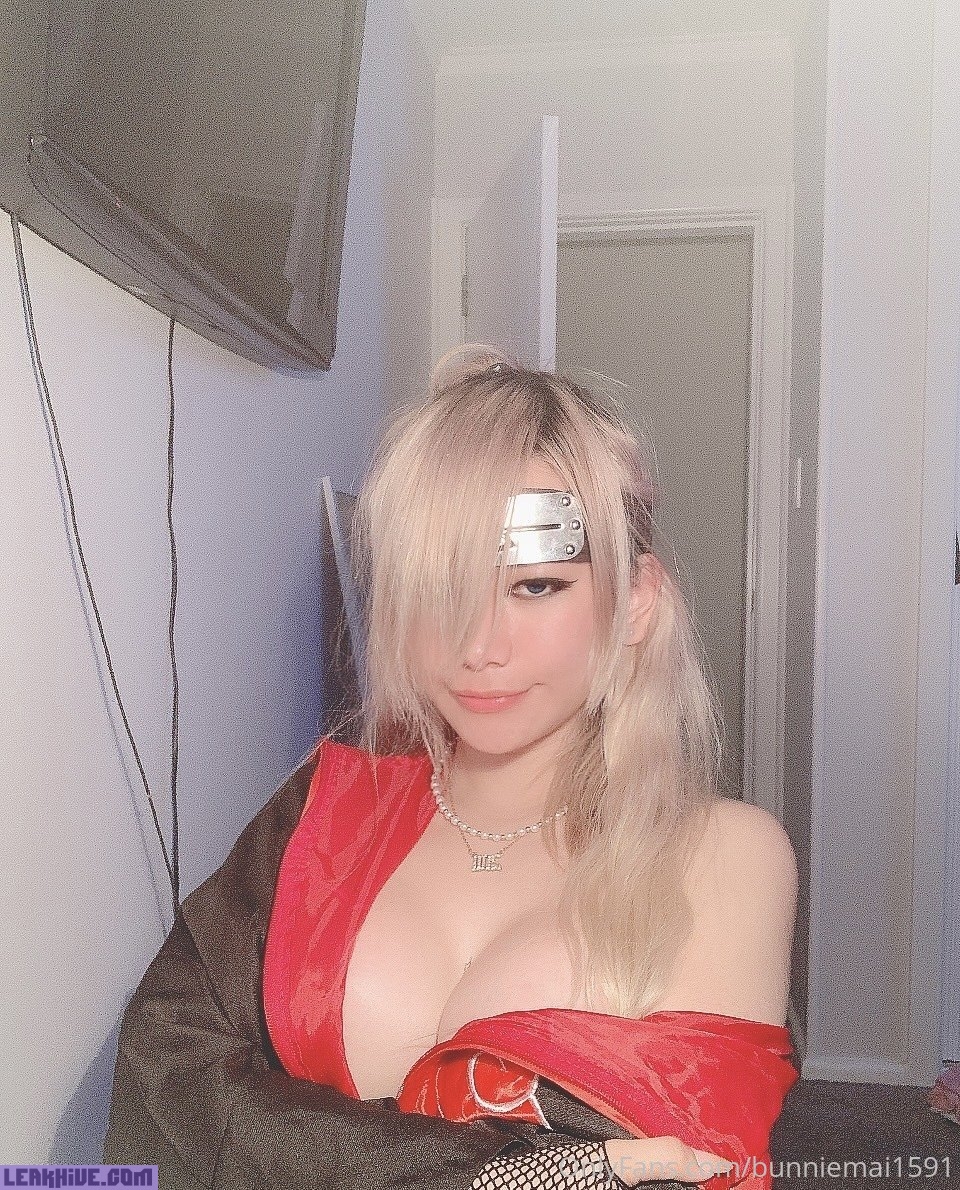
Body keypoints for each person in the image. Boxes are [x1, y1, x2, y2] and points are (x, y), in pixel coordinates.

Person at [103, 348, 799, 1190]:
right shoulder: (324, 810)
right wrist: (512, 1174)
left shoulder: (721, 857)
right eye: (440, 589)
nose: (478, 645)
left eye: (535, 587)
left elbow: (688, 1168)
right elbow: (166, 1071)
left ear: (635, 604)